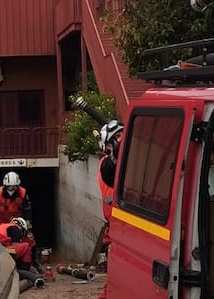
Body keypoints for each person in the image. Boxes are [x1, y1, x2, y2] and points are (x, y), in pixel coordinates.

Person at [96, 120, 123, 299]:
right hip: (117, 227)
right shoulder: (107, 165)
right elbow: (113, 169)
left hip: (123, 226)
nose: (124, 140)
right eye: (119, 137)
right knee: (117, 278)